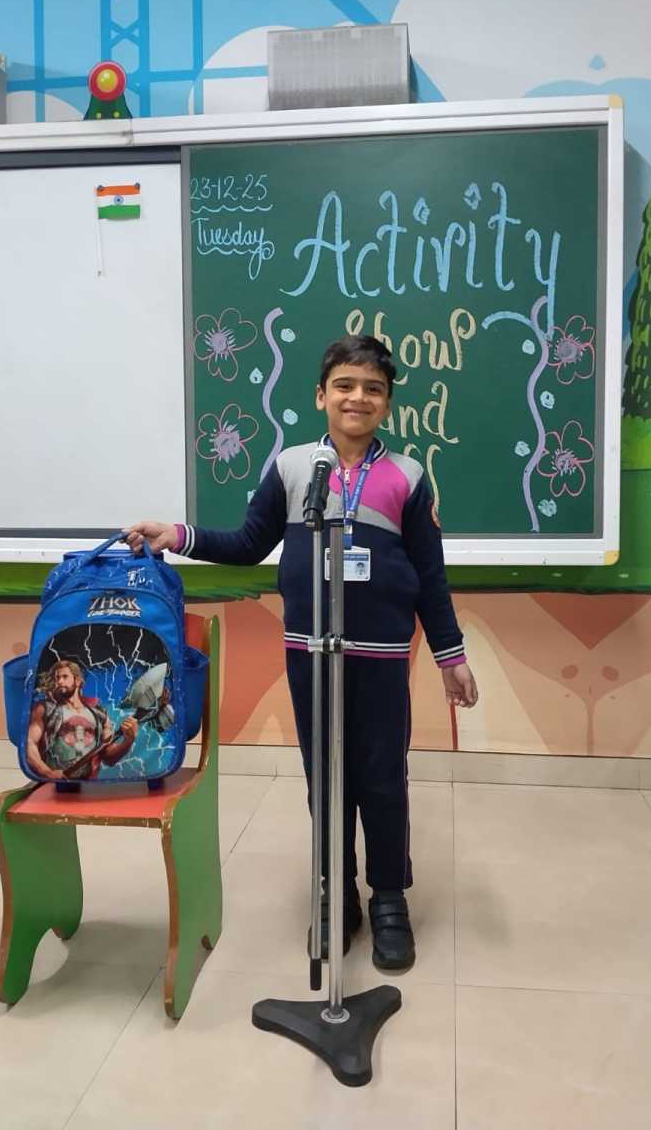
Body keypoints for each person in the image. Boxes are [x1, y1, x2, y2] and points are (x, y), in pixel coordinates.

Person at [126, 334, 478, 970]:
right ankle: (335, 892)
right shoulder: (293, 469)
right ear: (321, 396)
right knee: (327, 776)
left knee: (382, 778)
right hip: (311, 653)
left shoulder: (407, 477)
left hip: (380, 657)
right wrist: (177, 534)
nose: (357, 397)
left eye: (373, 389)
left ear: (387, 404)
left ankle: (389, 897)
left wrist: (450, 657)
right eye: (345, 385)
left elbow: (430, 575)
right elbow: (248, 543)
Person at [26, 658, 138, 780]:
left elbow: (109, 758)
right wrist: (47, 772)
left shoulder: (99, 713)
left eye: (65, 677)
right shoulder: (45, 709)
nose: (59, 681)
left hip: (88, 784)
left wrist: (128, 741)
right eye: (57, 678)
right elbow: (29, 743)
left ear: (78, 681)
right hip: (56, 784)